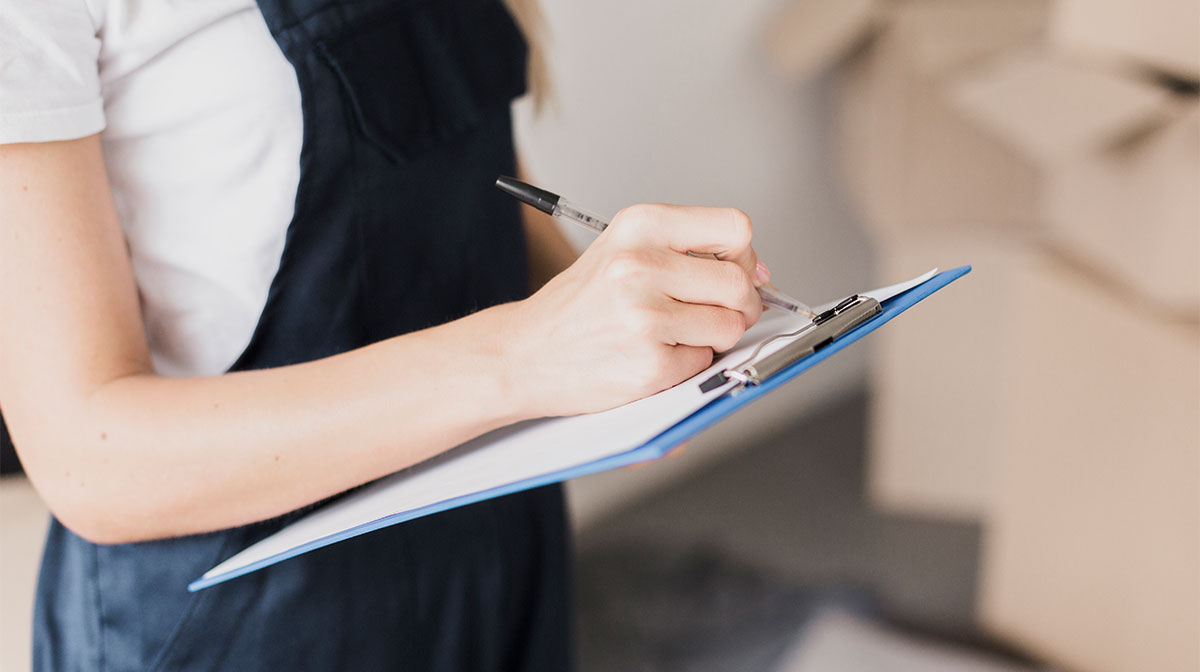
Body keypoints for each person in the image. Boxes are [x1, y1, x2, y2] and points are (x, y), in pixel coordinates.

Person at [0, 0, 770, 668]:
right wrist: (532, 354)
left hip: (495, 558)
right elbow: (86, 460)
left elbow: (475, 176)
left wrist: (634, 336)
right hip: (247, 616)